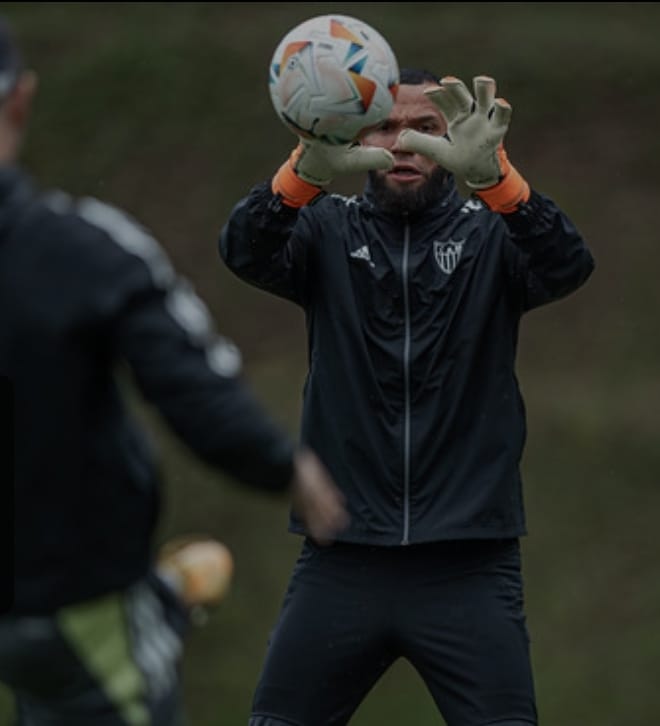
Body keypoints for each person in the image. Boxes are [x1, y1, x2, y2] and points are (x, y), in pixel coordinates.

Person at [218, 66, 595, 726]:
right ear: (355, 137)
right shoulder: (327, 231)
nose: (404, 144)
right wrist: (303, 170)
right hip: (341, 560)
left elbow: (567, 264)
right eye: (385, 127)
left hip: (469, 565)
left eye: (427, 129)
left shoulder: (489, 236)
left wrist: (501, 184)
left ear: (458, 143)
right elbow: (244, 250)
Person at [0, 16, 348, 726]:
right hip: (68, 603)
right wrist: (285, 467)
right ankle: (164, 602)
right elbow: (193, 390)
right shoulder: (81, 251)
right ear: (22, 99)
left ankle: (165, 599)